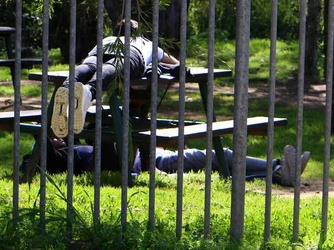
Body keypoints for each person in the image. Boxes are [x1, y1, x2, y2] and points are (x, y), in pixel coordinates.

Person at [51, 19, 179, 138]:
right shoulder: (147, 43)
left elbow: (88, 62)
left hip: (102, 49)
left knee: (88, 66)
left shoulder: (108, 39)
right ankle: (89, 91)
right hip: (132, 52)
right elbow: (175, 63)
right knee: (113, 66)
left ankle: (67, 87)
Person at [22, 139, 311, 187]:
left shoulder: (74, 146)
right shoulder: (73, 158)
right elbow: (37, 149)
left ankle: (277, 165)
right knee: (213, 178)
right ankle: (278, 176)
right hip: (148, 169)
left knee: (214, 157)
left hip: (156, 156)